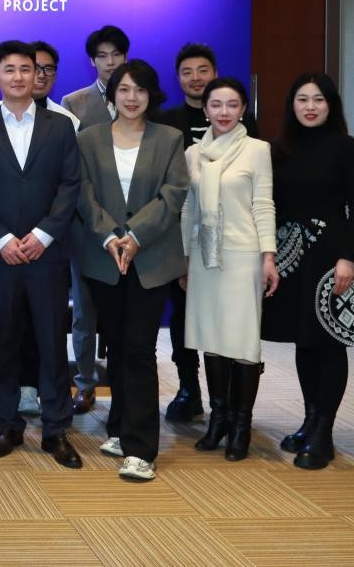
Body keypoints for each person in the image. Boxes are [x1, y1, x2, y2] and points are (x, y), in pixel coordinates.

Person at [0, 40, 82, 468]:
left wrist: (43, 234)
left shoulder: (61, 126)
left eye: (26, 69)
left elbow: (70, 185)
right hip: (2, 255)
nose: (18, 77)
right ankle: (9, 423)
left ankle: (55, 429)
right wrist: (2, 239)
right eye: (9, 70)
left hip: (46, 254)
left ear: (37, 75)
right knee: (4, 339)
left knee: (52, 340)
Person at [76, 60, 188, 481]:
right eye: (123, 89)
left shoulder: (169, 138)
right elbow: (83, 194)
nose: (131, 97)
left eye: (140, 89)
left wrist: (136, 235)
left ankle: (142, 448)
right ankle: (120, 428)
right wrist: (110, 236)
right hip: (104, 258)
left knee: (139, 348)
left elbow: (173, 193)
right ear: (112, 94)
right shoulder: (89, 139)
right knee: (119, 346)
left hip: (151, 258)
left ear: (150, 95)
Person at [262, 73, 354, 470]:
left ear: (331, 105)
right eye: (303, 99)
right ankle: (310, 420)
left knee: (328, 343)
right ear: (292, 105)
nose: (310, 107)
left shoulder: (346, 148)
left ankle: (325, 431)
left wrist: (349, 258)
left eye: (319, 100)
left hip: (331, 257)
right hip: (291, 256)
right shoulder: (278, 149)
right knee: (304, 341)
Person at [155, 43, 260, 422]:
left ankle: (231, 398)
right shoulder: (167, 122)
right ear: (178, 78)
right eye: (187, 72)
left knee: (232, 321)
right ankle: (189, 388)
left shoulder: (248, 128)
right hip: (182, 236)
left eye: (203, 70)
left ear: (214, 73)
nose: (195, 78)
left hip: (235, 242)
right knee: (185, 316)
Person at [180, 77, 277, 462]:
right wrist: (185, 258)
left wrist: (268, 256)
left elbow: (263, 204)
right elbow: (189, 208)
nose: (224, 112)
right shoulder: (193, 153)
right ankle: (218, 418)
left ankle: (241, 426)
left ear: (243, 110)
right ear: (205, 110)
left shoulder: (257, 149)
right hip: (204, 256)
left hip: (243, 255)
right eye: (216, 105)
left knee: (243, 342)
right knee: (211, 337)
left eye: (232, 105)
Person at [62, 27, 132, 415]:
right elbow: (71, 168)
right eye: (102, 55)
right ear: (92, 60)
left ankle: (126, 384)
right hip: (86, 223)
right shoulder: (73, 103)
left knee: (128, 311)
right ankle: (85, 384)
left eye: (116, 54)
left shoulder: (138, 98)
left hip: (133, 224)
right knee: (84, 311)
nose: (110, 62)